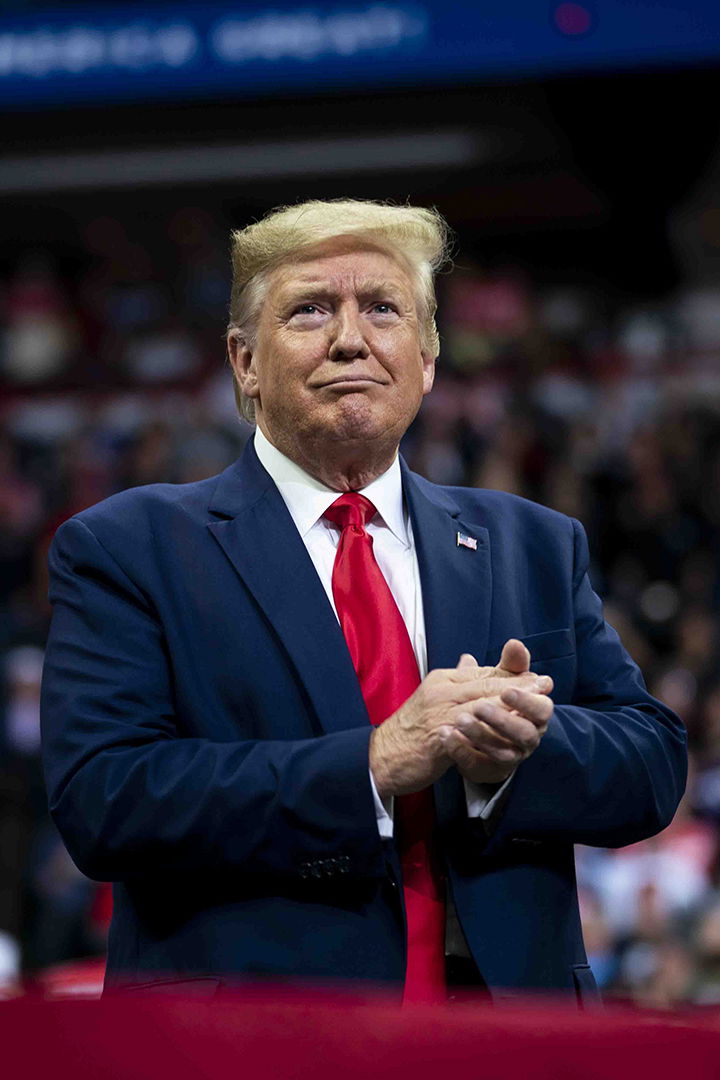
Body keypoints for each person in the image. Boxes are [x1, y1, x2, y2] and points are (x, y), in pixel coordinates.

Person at [41, 200, 687, 1005]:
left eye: (383, 309)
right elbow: (106, 800)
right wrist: (370, 767)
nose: (351, 338)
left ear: (425, 361)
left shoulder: (535, 544)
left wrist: (519, 752)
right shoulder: (128, 546)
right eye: (310, 310)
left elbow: (653, 763)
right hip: (249, 1047)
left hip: (506, 1041)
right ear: (244, 362)